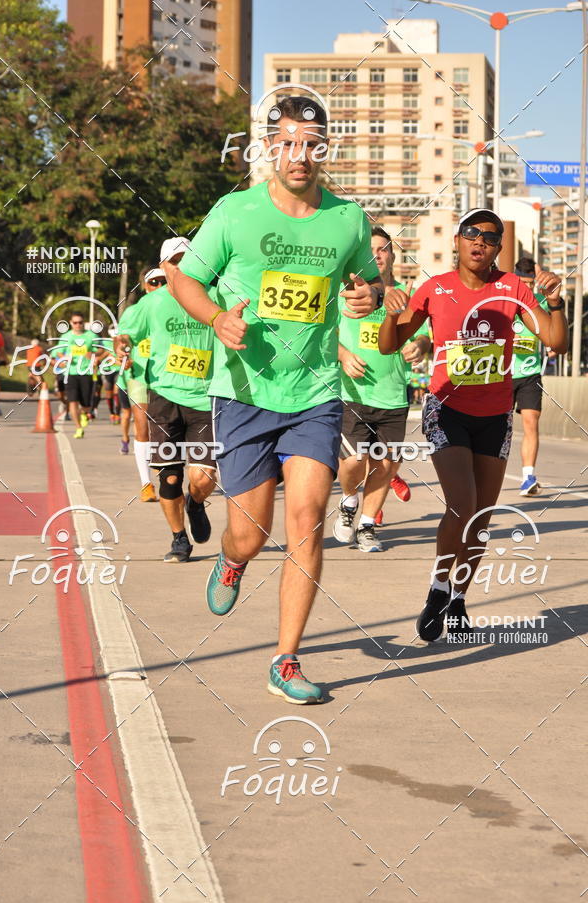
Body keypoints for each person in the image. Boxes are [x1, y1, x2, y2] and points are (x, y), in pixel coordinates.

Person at [168, 94, 397, 704]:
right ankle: (234, 559)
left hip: (316, 392)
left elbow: (368, 281)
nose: (301, 154)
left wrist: (367, 297)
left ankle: (285, 660)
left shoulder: (347, 218)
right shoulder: (236, 212)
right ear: (269, 147)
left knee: (306, 524)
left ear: (326, 149)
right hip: (244, 395)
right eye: (289, 141)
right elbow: (183, 277)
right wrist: (217, 318)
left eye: (313, 142)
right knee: (251, 530)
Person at [378, 208, 568, 642]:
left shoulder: (513, 288)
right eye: (471, 234)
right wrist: (391, 315)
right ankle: (438, 591)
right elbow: (391, 345)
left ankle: (459, 598)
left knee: (480, 519)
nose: (479, 241)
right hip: (446, 409)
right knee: (461, 507)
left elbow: (555, 340)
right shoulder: (434, 288)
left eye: (489, 236)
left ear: (499, 248)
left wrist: (554, 303)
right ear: (458, 241)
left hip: (495, 416)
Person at [116, 243, 216, 560]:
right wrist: (121, 346)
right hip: (164, 398)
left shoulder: (216, 295)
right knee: (170, 477)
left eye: (190, 260)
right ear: (164, 265)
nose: (183, 267)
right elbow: (126, 334)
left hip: (205, 399)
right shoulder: (153, 303)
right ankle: (178, 539)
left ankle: (196, 503)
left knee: (204, 478)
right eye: (176, 261)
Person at [334, 226, 431, 552]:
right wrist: (343, 354)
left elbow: (425, 334)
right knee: (352, 462)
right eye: (371, 249)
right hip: (354, 393)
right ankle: (348, 502)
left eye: (383, 249)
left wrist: (420, 344)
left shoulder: (406, 295)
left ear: (391, 256)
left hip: (393, 393)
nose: (377, 254)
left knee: (386, 465)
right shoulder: (344, 293)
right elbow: (322, 336)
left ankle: (367, 525)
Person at [116, 267, 165, 499]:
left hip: (169, 377)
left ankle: (166, 468)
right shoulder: (134, 311)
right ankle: (146, 484)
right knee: (142, 424)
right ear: (145, 287)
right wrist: (122, 351)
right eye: (153, 282)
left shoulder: (178, 309)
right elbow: (122, 338)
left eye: (163, 281)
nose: (158, 286)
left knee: (165, 430)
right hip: (138, 375)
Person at [511, 257, 551, 496]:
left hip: (530, 373)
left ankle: (528, 477)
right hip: (503, 373)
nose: (527, 288)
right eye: (522, 282)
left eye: (530, 283)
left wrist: (551, 343)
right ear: (515, 278)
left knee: (531, 423)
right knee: (499, 428)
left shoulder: (541, 302)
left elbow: (550, 331)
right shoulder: (504, 301)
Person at [49, 311, 103, 439]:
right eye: (75, 323)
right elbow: (57, 352)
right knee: (72, 401)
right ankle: (78, 427)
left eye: (80, 322)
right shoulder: (66, 336)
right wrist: (64, 357)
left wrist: (93, 354)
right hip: (70, 373)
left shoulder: (91, 335)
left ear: (83, 323)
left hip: (86, 372)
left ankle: (85, 413)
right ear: (71, 323)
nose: (78, 325)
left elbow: (102, 349)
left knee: (86, 404)